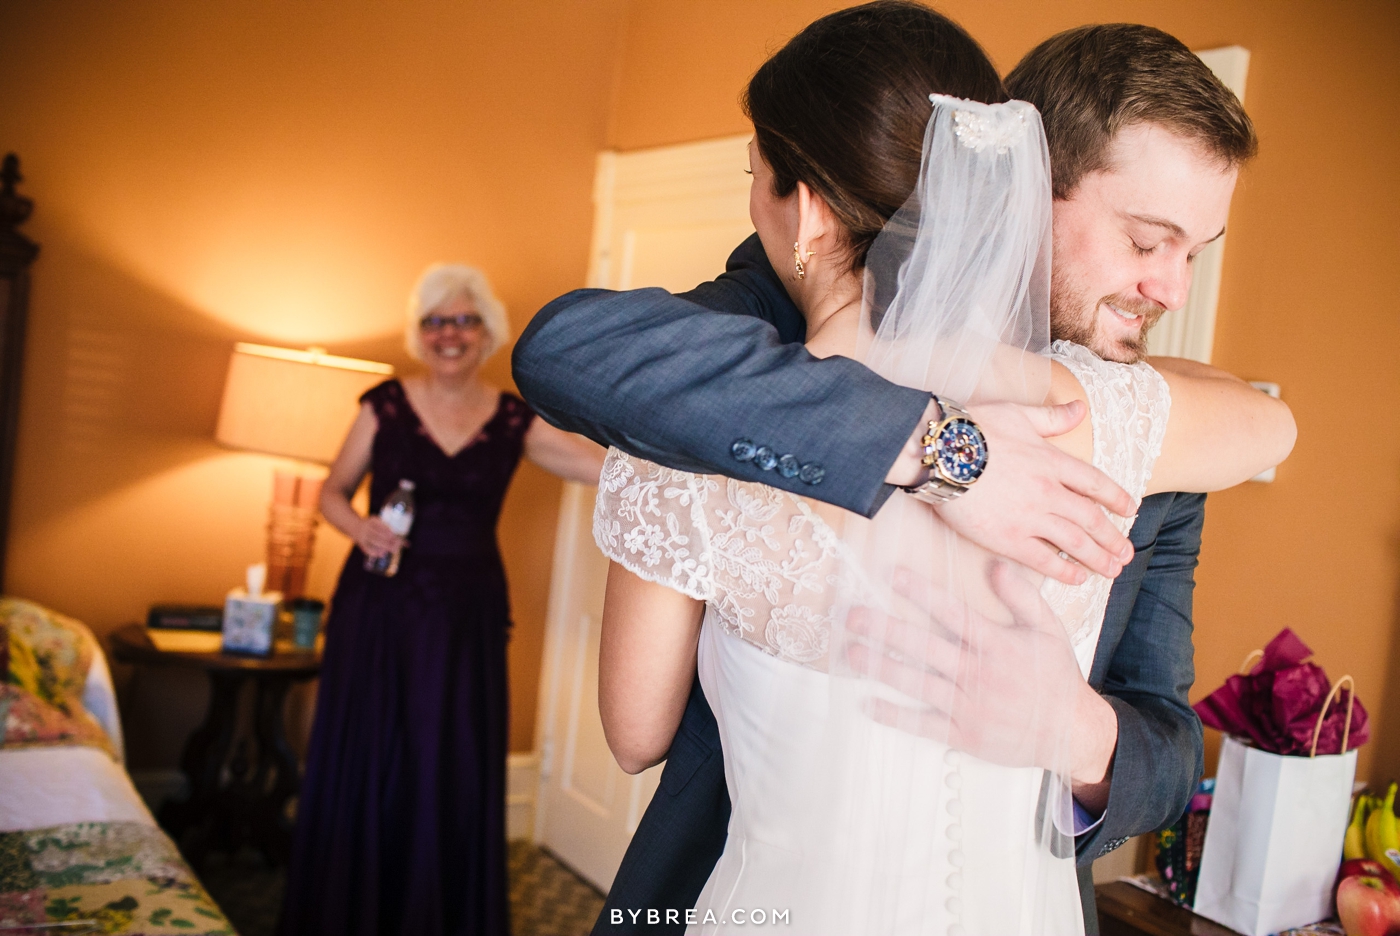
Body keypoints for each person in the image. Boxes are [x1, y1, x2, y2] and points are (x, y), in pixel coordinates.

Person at [512, 10, 1284, 935]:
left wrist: (1078, 733)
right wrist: (949, 454)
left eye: (1198, 253)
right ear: (1023, 187)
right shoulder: (1121, 422)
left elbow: (1166, 740)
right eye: (1147, 240)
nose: (1174, 290)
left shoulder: (1142, 416)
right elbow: (572, 348)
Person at [278, 264, 604, 936]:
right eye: (435, 320)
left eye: (464, 320)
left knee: (448, 758)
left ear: (487, 333)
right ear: (418, 333)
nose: (449, 333)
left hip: (466, 617)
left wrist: (685, 454)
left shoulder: (513, 418)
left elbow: (595, 466)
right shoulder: (383, 407)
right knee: (372, 752)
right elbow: (331, 492)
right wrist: (357, 525)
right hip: (380, 610)